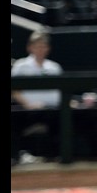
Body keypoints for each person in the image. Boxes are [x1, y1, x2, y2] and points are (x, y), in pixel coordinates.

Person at [11, 30, 64, 163]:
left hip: (53, 109)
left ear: (48, 48)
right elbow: (14, 91)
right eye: (38, 46)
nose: (41, 49)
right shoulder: (20, 66)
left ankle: (57, 155)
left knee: (68, 116)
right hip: (26, 109)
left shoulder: (54, 67)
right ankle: (19, 154)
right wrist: (27, 104)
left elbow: (62, 89)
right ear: (30, 47)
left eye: (44, 46)